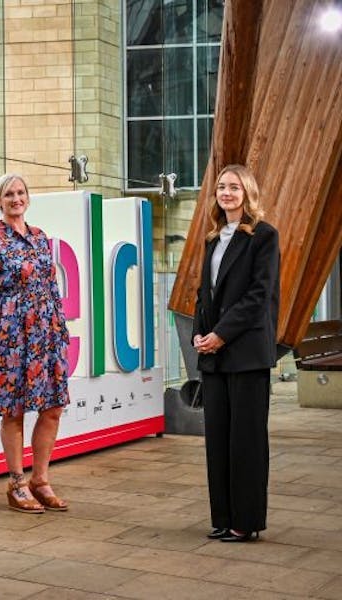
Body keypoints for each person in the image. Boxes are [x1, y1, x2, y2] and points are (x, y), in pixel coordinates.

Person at [192, 164, 280, 543]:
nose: (226, 192)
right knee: (219, 440)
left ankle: (246, 522)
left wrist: (221, 335)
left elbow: (259, 296)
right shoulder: (214, 237)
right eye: (221, 187)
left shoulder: (264, 236)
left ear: (247, 192)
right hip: (215, 355)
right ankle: (223, 517)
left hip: (245, 352)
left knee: (246, 441)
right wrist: (199, 333)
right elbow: (204, 294)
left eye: (234, 187)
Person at [0, 173, 70, 514]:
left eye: (21, 192)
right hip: (14, 336)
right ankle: (16, 483)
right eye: (8, 194)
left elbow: (52, 286)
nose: (16, 198)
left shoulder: (41, 238)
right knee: (13, 411)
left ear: (27, 198)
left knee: (53, 407)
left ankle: (40, 480)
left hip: (47, 332)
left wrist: (60, 328)